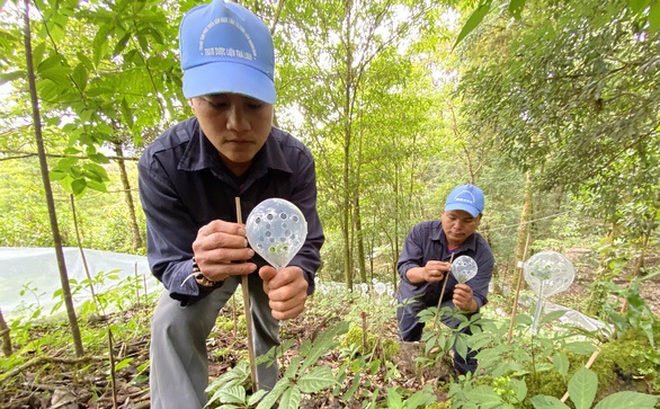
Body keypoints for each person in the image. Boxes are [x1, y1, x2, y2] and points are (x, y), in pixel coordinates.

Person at [137, 1, 324, 408]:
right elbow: (169, 262)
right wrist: (200, 271)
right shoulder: (162, 162)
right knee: (171, 321)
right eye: (217, 104)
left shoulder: (295, 162)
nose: (238, 124)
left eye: (254, 105)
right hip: (201, 270)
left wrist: (299, 276)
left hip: (268, 261)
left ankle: (269, 397)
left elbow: (306, 244)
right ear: (192, 99)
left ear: (273, 101)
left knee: (267, 308)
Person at [396, 183, 494, 375]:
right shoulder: (421, 232)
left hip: (451, 301)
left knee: (469, 323)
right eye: (452, 218)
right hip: (415, 292)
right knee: (408, 329)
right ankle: (408, 369)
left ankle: (465, 376)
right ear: (443, 213)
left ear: (479, 220)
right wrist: (423, 273)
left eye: (468, 220)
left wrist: (469, 304)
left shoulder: (483, 253)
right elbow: (404, 268)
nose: (458, 227)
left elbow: (479, 297)